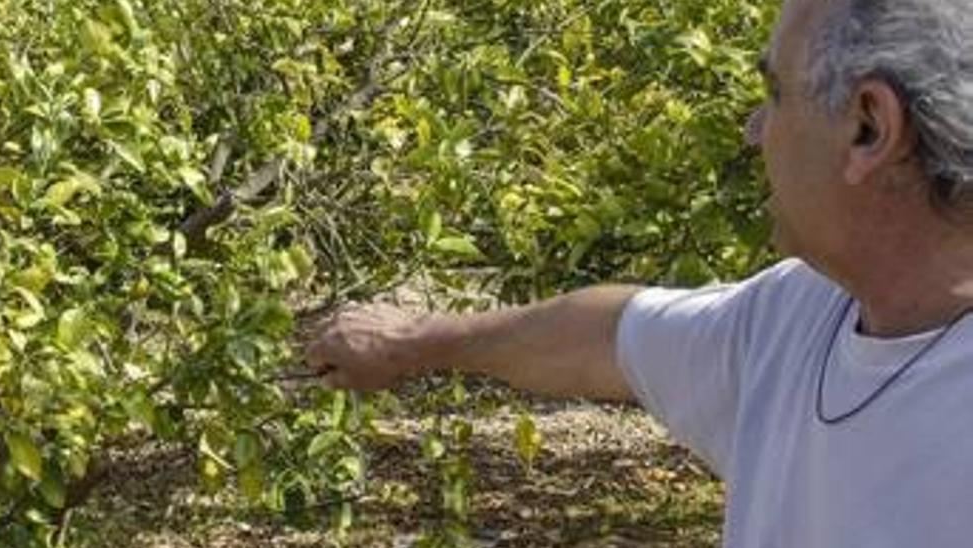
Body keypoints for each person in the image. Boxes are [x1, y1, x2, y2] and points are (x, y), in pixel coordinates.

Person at [303, 0, 973, 546]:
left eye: (775, 93)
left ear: (868, 126)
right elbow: (610, 335)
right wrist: (414, 341)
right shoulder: (795, 315)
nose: (753, 127)